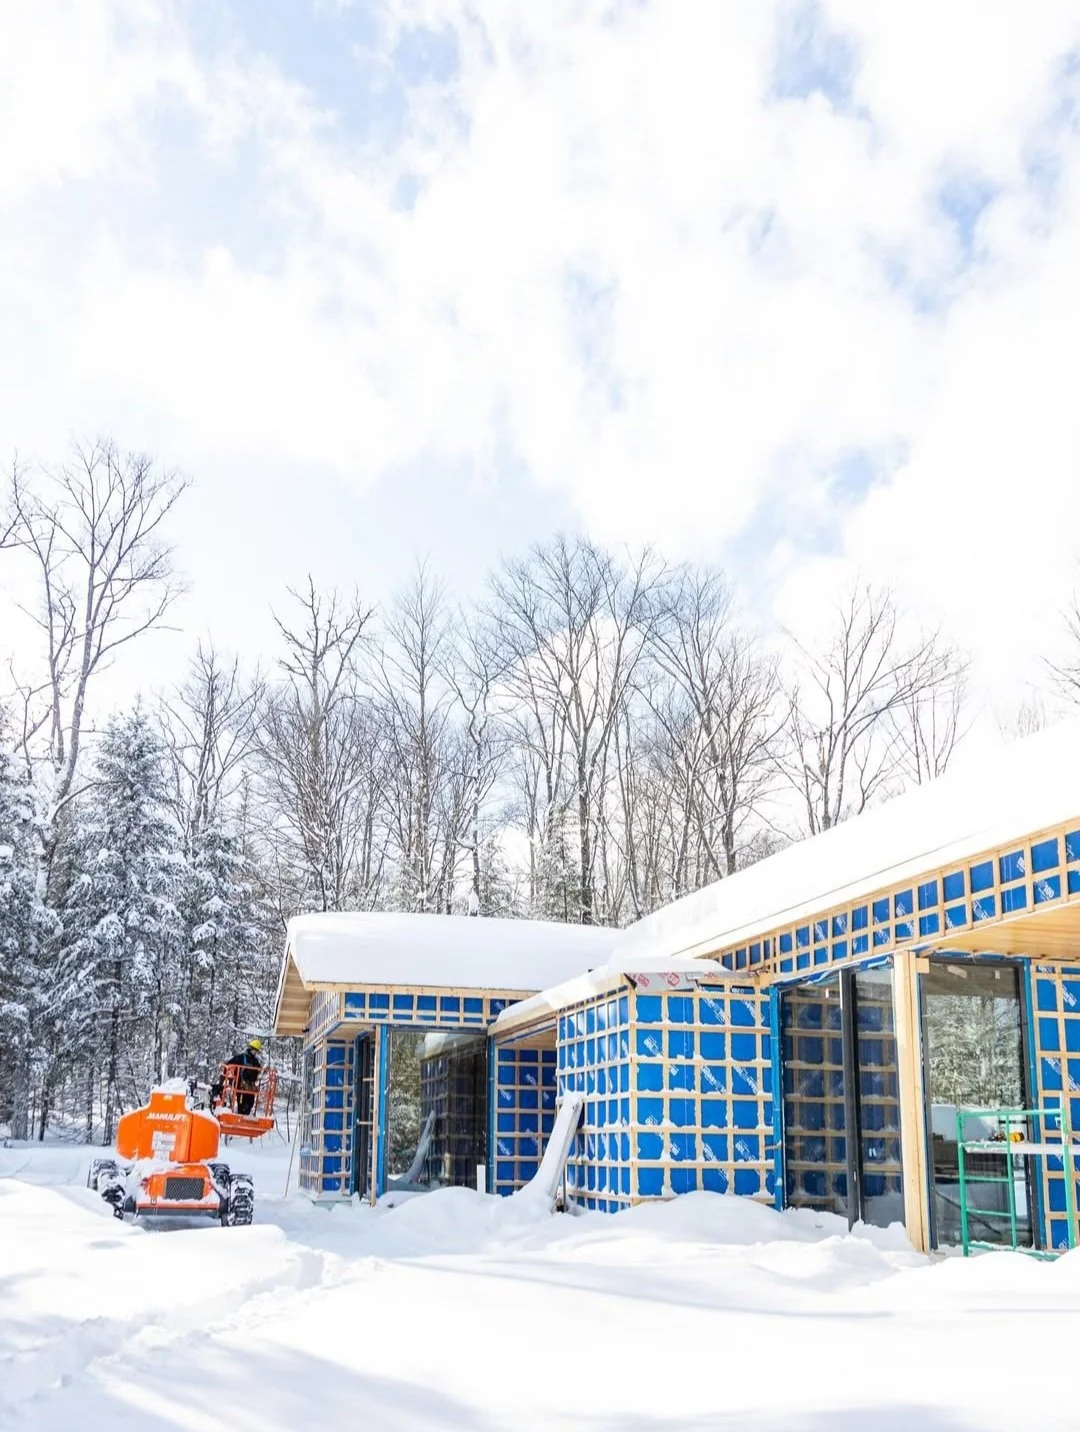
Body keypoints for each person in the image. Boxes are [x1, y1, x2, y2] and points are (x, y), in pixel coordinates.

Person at [213, 1038, 264, 1116]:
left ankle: (245, 1115)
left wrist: (263, 1071)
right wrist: (226, 1070)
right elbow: (229, 1064)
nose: (256, 1052)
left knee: (250, 1101)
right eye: (255, 1050)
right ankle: (241, 1114)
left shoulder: (255, 1060)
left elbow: (258, 1070)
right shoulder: (241, 1057)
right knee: (242, 1101)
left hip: (250, 1085)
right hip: (240, 1083)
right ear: (252, 1049)